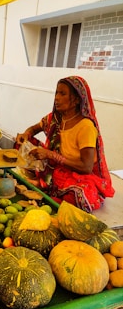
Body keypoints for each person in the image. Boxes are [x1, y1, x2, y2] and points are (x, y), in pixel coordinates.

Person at [16, 76, 115, 212]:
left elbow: (86, 167)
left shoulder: (85, 126)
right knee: (24, 144)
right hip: (54, 166)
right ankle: (46, 183)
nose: (56, 97)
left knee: (80, 195)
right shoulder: (55, 118)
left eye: (62, 94)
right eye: (56, 92)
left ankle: (45, 184)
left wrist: (51, 155)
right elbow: (33, 129)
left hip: (76, 173)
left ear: (76, 100)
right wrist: (25, 135)